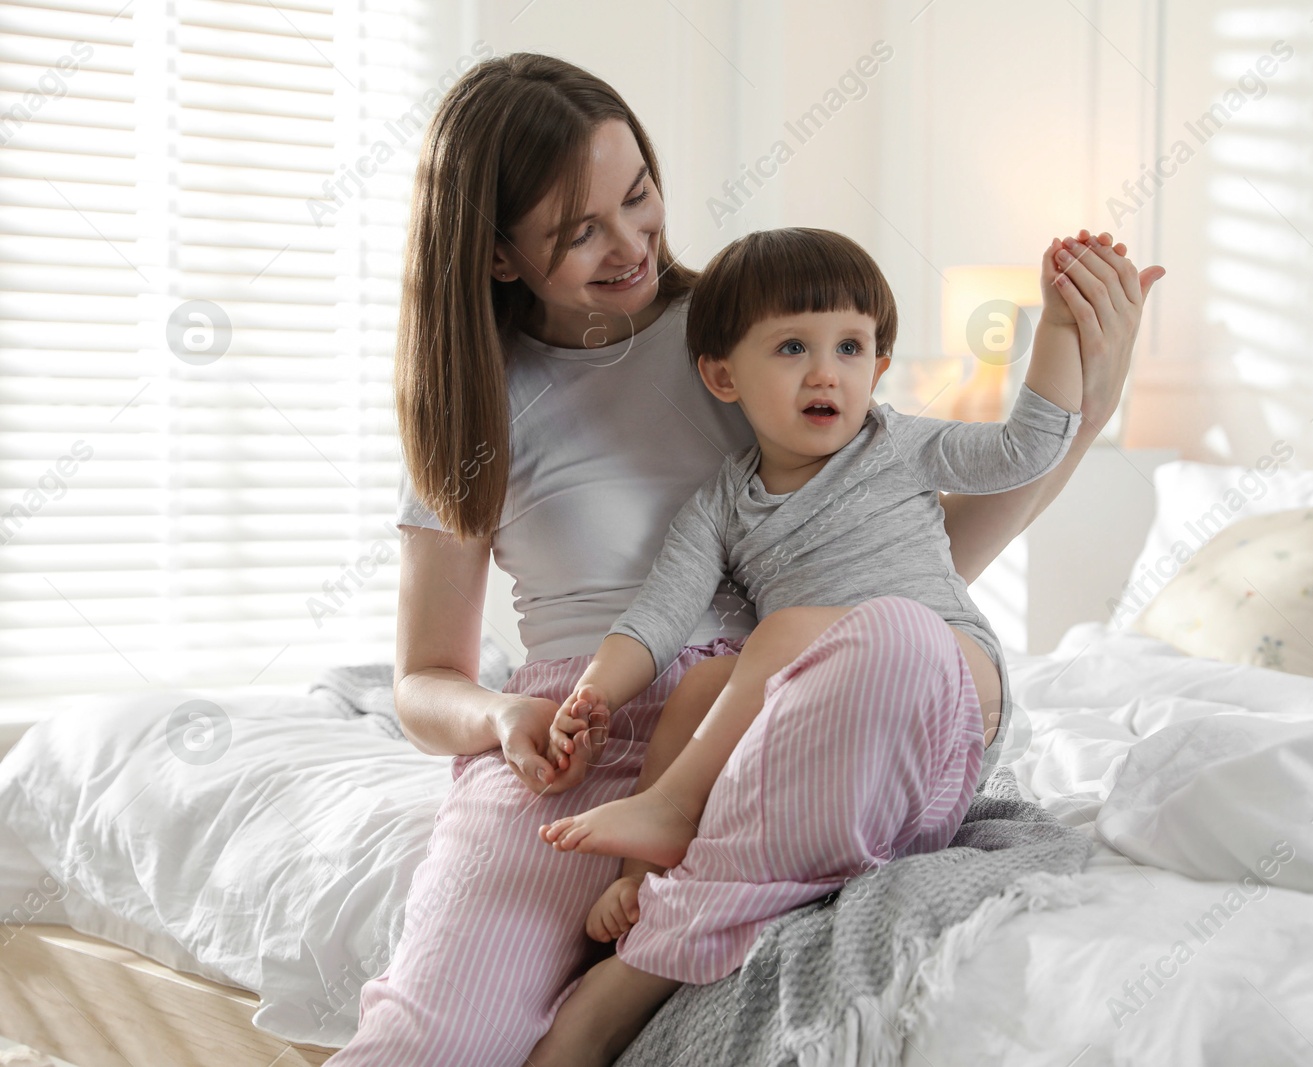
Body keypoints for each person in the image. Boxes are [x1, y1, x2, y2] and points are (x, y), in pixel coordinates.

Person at [326, 52, 1163, 1067]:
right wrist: (505, 718)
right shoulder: (476, 404)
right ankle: (661, 878)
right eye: (578, 231)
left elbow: (909, 553)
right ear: (499, 256)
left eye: (638, 195)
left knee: (893, 636)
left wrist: (1084, 415)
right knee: (424, 1047)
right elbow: (423, 680)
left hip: (792, 705)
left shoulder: (748, 328)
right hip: (581, 732)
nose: (631, 242)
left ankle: (629, 975)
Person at [526, 226, 1086, 1063]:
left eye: (852, 346)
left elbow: (1026, 447)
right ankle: (649, 874)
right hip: (836, 724)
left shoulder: (900, 444)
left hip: (946, 691)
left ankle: (677, 819)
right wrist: (594, 691)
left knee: (789, 630)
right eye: (793, 347)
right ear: (723, 375)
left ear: (878, 365)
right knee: (702, 682)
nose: (828, 371)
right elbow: (658, 617)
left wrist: (1063, 329)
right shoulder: (721, 504)